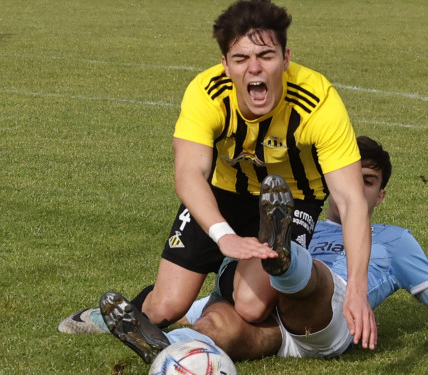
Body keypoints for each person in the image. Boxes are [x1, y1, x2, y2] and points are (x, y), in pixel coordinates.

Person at [67, 136, 428, 364]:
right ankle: (158, 345)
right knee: (220, 325)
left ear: (381, 196)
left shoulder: (397, 241)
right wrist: (169, 311)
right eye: (348, 179)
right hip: (273, 328)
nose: (353, 192)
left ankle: (282, 257)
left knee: (309, 275)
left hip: (327, 319)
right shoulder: (305, 216)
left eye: (368, 183)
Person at [129, 0, 374, 348]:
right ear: (226, 65)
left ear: (286, 59)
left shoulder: (317, 100)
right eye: (241, 59)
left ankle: (222, 299)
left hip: (290, 199)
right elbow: (188, 175)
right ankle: (128, 318)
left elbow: (350, 201)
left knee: (250, 305)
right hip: (222, 193)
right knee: (163, 307)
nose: (254, 69)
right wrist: (223, 235)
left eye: (266, 56)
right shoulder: (206, 92)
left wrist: (358, 291)